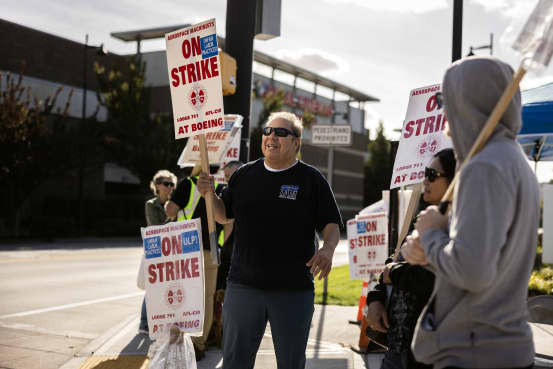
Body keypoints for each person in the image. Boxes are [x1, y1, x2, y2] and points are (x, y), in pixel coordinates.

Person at [401, 56, 539, 369]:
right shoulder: (513, 161)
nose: (443, 110)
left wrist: (432, 233)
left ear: (469, 100)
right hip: (498, 348)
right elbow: (484, 263)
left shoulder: (485, 167)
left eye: (445, 98)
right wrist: (429, 250)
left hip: (476, 351)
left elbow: (473, 272)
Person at [197, 111, 342, 369]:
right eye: (268, 131)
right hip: (243, 286)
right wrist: (210, 195)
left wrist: (328, 249)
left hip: (293, 291)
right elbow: (223, 215)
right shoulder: (244, 175)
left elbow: (331, 224)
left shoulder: (312, 179)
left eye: (281, 132)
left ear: (296, 142)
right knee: (234, 362)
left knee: (290, 363)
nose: (272, 136)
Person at [365, 148, 456, 369]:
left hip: (430, 353)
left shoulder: (461, 229)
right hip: (397, 346)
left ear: (455, 181)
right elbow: (395, 258)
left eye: (432, 175)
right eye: (425, 172)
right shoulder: (424, 219)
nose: (424, 180)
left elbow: (437, 279)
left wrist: (393, 274)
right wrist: (375, 299)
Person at [164, 164, 224, 361]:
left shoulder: (188, 183)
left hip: (185, 249)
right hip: (211, 249)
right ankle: (198, 344)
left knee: (180, 296)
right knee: (206, 298)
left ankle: (180, 342)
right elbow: (229, 222)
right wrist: (219, 244)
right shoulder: (221, 186)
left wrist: (169, 199)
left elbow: (171, 211)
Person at [140, 170, 177, 334]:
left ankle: (163, 321)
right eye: (166, 183)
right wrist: (172, 214)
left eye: (172, 184)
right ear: (157, 186)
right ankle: (144, 323)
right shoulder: (151, 204)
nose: (170, 187)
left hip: (172, 251)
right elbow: (156, 227)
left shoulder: (176, 203)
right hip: (155, 250)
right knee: (153, 288)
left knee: (169, 288)